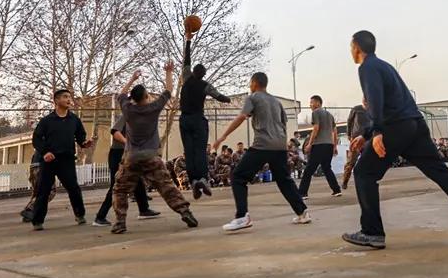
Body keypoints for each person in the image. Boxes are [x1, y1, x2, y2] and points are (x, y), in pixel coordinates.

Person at [345, 30, 448, 250]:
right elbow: (387, 103)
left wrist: (375, 132)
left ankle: (372, 232)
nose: (350, 50)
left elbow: (375, 101)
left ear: (356, 47)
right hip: (414, 125)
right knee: (440, 172)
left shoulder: (367, 67)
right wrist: (365, 134)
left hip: (395, 128)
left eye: (350, 46)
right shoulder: (385, 66)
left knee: (364, 172)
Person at [212, 72, 309, 232]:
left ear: (254, 83)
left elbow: (242, 116)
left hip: (263, 144)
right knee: (284, 180)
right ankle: (302, 212)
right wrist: (283, 144)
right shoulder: (276, 102)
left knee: (238, 176)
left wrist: (223, 136)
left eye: (250, 84)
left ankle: (242, 217)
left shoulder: (253, 97)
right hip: (279, 145)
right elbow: (283, 124)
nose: (249, 87)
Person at [111, 62, 198, 234]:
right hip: (151, 156)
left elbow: (121, 94)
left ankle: (120, 222)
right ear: (146, 96)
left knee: (120, 189)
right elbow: (168, 91)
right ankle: (184, 211)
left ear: (133, 98)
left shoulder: (127, 109)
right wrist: (168, 72)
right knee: (166, 186)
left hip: (132, 157)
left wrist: (132, 78)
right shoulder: (153, 108)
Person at [29, 89, 96, 231]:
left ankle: (80, 215)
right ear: (56, 100)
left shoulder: (74, 120)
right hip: (48, 160)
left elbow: (80, 137)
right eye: (65, 97)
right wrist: (45, 152)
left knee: (73, 188)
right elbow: (36, 139)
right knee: (43, 190)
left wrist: (85, 144)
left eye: (69, 97)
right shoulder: (47, 121)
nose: (68, 99)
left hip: (67, 159)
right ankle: (37, 221)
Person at [94, 87, 161, 226]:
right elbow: (115, 132)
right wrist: (128, 143)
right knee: (117, 185)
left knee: (137, 180)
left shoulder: (139, 114)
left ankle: (144, 210)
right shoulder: (128, 114)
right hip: (119, 153)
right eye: (147, 97)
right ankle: (100, 217)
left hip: (130, 153)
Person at [179, 31, 232, 200]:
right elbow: (219, 96)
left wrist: (188, 41)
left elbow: (186, 59)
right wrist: (228, 99)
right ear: (204, 74)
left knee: (189, 150)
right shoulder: (205, 85)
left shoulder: (186, 77)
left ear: (193, 71)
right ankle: (202, 178)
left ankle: (194, 180)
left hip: (184, 120)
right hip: (197, 119)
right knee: (200, 150)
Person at [298, 95, 342, 198]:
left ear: (318, 103)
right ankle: (336, 190)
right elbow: (335, 131)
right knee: (326, 168)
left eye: (312, 102)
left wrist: (309, 144)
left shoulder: (316, 113)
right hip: (329, 145)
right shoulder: (329, 115)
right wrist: (334, 146)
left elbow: (316, 128)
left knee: (309, 169)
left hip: (319, 145)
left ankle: (302, 193)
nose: (310, 105)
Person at [20, 149, 55, 223]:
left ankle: (30, 213)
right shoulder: (53, 139)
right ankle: (30, 209)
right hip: (42, 165)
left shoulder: (41, 141)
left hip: (34, 165)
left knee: (37, 192)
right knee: (50, 191)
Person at [342, 99, 369, 190]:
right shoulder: (356, 109)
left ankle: (366, 181)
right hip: (355, 138)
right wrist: (349, 134)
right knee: (351, 162)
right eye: (364, 99)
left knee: (368, 161)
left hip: (368, 139)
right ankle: (345, 181)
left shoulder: (373, 110)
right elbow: (349, 122)